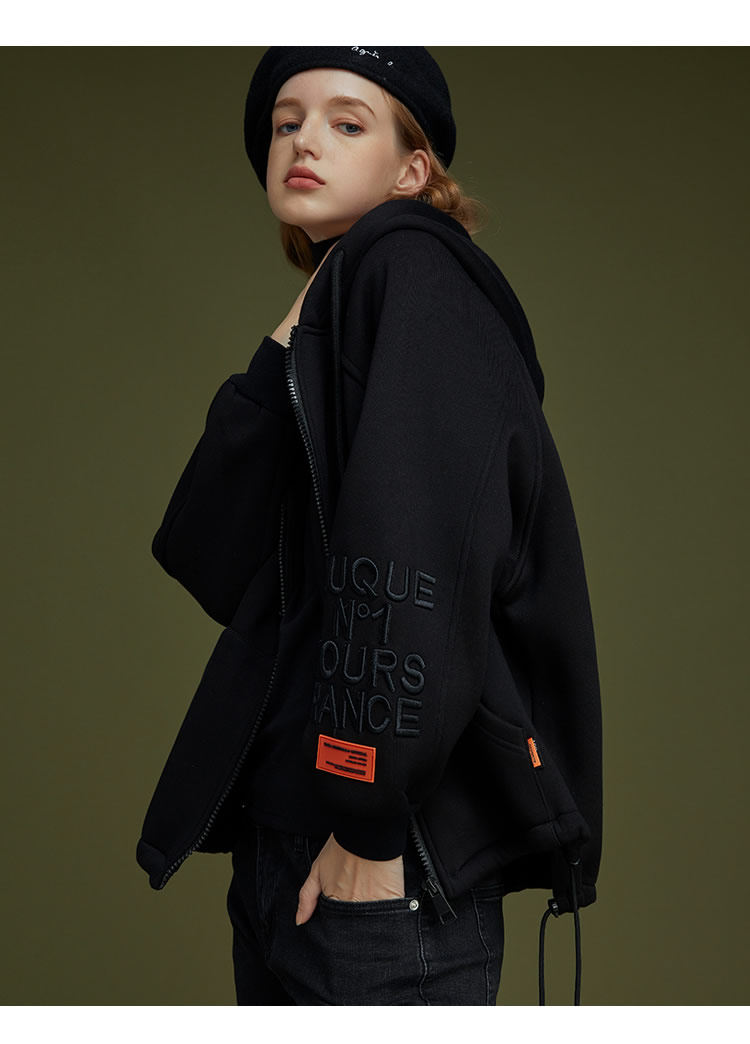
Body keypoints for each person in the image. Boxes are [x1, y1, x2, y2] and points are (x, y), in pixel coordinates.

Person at [136, 47, 603, 1007]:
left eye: (347, 123)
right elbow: (206, 553)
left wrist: (368, 820)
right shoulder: (346, 299)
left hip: (383, 861)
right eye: (286, 123)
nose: (304, 140)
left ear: (411, 170)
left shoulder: (415, 274)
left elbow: (416, 555)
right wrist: (291, 330)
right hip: (285, 841)